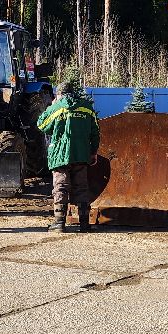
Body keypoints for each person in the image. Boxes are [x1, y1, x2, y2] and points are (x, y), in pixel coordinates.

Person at [36, 76, 101, 233]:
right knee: (82, 188)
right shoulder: (87, 108)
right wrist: (92, 152)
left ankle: (59, 223)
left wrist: (52, 107)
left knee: (61, 187)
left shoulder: (57, 108)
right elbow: (95, 133)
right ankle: (84, 224)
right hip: (81, 154)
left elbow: (41, 125)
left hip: (61, 155)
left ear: (59, 95)